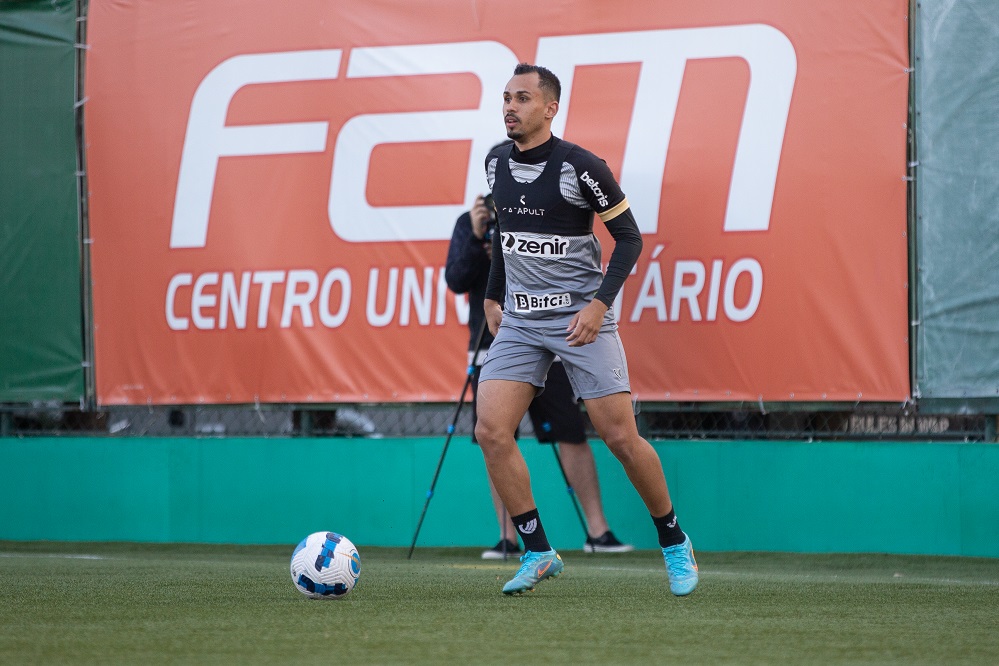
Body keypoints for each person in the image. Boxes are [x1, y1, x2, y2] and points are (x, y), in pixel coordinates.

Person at [474, 63, 699, 596]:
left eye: (522, 98)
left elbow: (629, 239)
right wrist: (491, 293)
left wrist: (599, 305)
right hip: (521, 320)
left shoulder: (582, 166)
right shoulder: (494, 163)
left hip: (580, 319)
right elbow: (506, 234)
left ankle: (674, 541)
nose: (510, 106)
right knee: (490, 431)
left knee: (620, 436)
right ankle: (537, 551)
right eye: (506, 97)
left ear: (550, 108)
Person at [445, 188, 634, 559]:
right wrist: (478, 233)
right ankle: (508, 536)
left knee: (571, 432)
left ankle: (598, 531)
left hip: (556, 342)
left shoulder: (544, 217)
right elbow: (456, 278)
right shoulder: (470, 225)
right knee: (495, 437)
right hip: (495, 344)